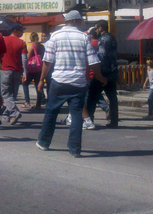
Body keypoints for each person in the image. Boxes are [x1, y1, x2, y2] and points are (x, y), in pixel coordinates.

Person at [35, 10, 107, 158]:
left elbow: (47, 61)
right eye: (80, 21)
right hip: (78, 83)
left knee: (51, 112)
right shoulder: (84, 37)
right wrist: (100, 77)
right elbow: (93, 61)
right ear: (75, 21)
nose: (82, 23)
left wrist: (41, 80)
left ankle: (44, 142)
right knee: (76, 116)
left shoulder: (54, 36)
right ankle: (75, 149)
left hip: (58, 82)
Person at [87, 20, 119, 128]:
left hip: (103, 71)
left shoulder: (103, 39)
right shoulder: (112, 37)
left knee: (92, 96)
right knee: (112, 97)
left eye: (96, 28)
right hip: (112, 70)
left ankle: (89, 119)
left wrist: (98, 73)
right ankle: (114, 121)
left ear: (100, 28)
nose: (96, 30)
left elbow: (101, 56)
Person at [0, 23, 27, 125]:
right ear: (15, 31)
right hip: (17, 71)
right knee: (12, 95)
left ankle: (14, 113)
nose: (23, 32)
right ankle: (6, 115)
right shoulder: (21, 43)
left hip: (6, 70)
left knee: (6, 94)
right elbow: (24, 59)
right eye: (21, 30)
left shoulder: (3, 41)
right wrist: (25, 73)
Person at [24, 32, 45, 109]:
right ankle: (39, 103)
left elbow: (28, 57)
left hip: (31, 69)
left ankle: (27, 101)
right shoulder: (42, 46)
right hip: (39, 68)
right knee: (38, 85)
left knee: (25, 84)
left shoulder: (31, 46)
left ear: (31, 38)